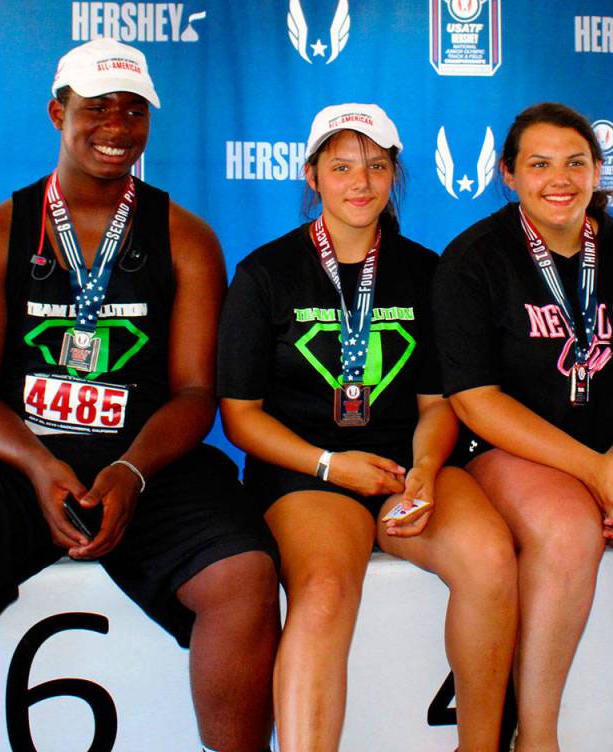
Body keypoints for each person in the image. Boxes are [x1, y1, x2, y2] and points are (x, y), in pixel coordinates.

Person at [0, 38, 280, 752]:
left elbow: (193, 392)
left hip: (148, 465)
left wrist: (129, 472)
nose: (117, 126)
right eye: (96, 108)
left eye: (133, 110)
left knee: (244, 575)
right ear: (57, 112)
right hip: (14, 458)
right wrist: (36, 464)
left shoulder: (186, 238)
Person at [218, 103, 518, 752]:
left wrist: (427, 473)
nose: (360, 182)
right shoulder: (264, 274)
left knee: (491, 562)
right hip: (306, 473)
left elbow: (439, 402)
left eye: (376, 167)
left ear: (394, 176)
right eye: (342, 166)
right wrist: (330, 464)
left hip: (404, 466)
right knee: (324, 591)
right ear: (313, 175)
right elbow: (239, 418)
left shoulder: (427, 271)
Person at [433, 102, 613, 752]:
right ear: (508, 174)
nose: (558, 179)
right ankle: (537, 738)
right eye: (538, 164)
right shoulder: (475, 261)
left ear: (596, 172)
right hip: (514, 447)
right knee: (567, 537)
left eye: (575, 162)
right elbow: (475, 400)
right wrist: (592, 470)